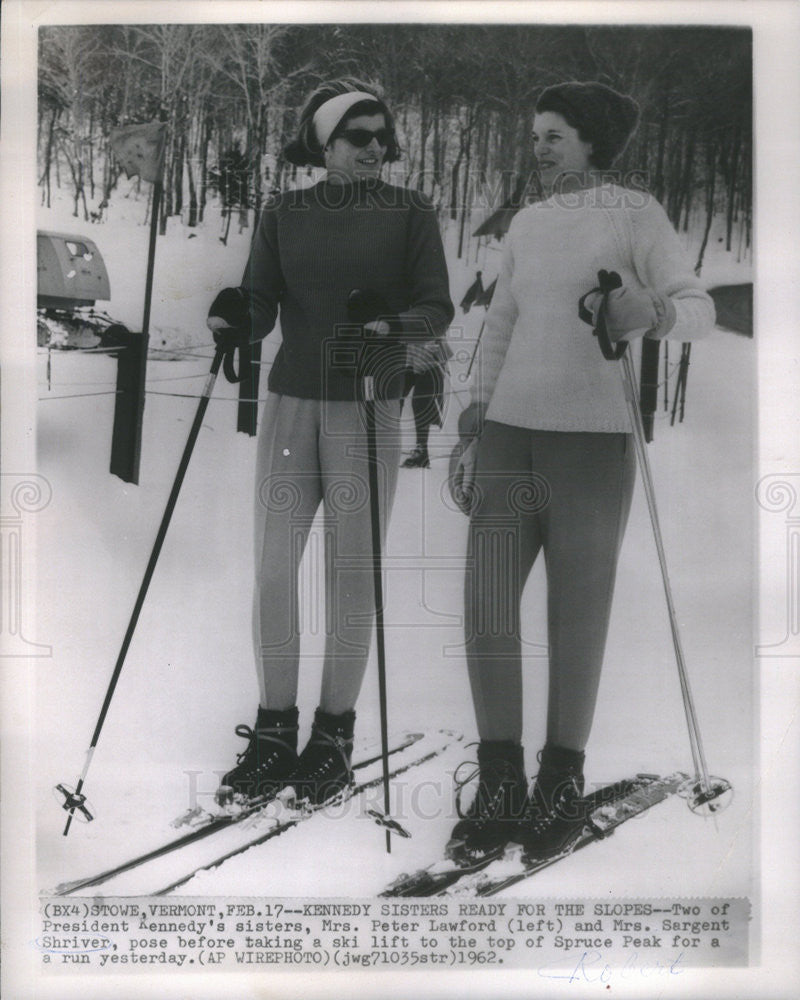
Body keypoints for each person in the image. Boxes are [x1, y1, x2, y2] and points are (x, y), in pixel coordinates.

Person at [447, 81, 715, 864]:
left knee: (577, 614)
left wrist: (652, 314)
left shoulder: (636, 214)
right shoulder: (528, 222)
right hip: (508, 437)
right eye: (535, 135)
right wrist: (473, 425)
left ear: (594, 142)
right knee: (487, 607)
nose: (540, 147)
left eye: (556, 135)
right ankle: (499, 783)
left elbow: (696, 305)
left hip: (591, 441)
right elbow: (500, 326)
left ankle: (558, 782)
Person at [207, 79, 453, 809]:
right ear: (323, 143)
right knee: (276, 568)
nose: (375, 148)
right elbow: (260, 302)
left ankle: (334, 734)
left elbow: (435, 307)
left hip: (368, 404)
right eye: (359, 136)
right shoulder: (285, 212)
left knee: (351, 571)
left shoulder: (409, 213)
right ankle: (275, 727)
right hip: (291, 404)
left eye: (383, 136)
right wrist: (234, 316)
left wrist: (394, 325)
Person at [399, 338, 452, 468]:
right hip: (409, 355)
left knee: (421, 404)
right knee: (395, 398)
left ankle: (422, 452)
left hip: (430, 357)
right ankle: (384, 440)